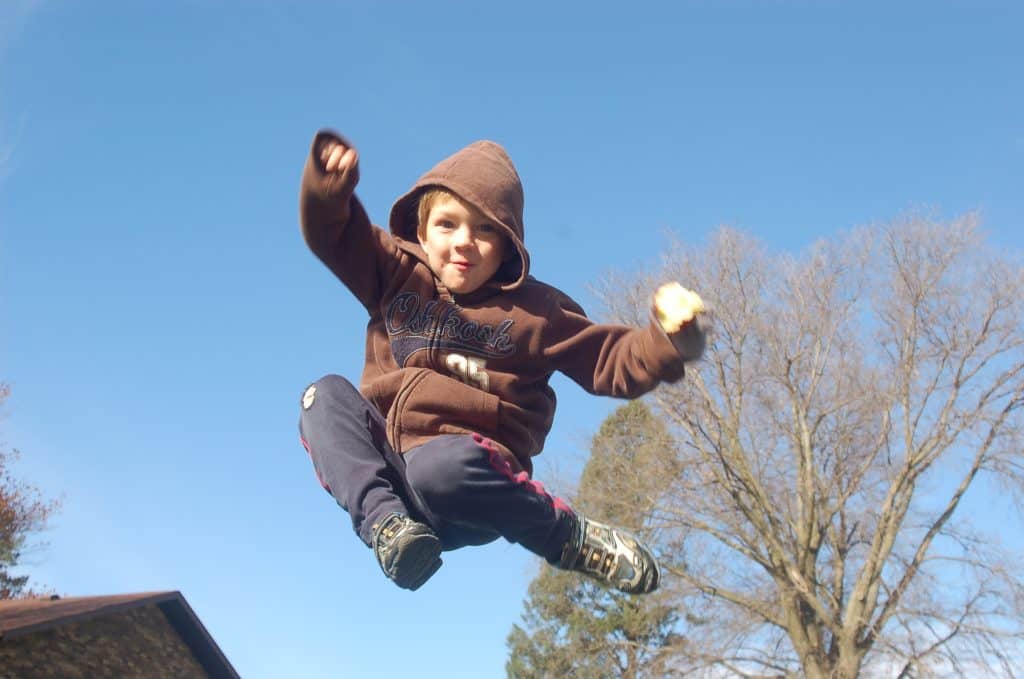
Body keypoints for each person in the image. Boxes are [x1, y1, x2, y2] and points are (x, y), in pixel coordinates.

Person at [297, 129, 710, 594]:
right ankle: (388, 528)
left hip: (471, 482)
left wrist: (668, 343)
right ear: (421, 232)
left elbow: (609, 359)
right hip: (393, 480)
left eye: (485, 229)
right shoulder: (395, 275)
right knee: (322, 396)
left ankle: (566, 537)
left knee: (439, 467)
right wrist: (328, 190)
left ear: (509, 242)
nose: (464, 243)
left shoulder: (536, 313)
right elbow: (335, 236)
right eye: (447, 225)